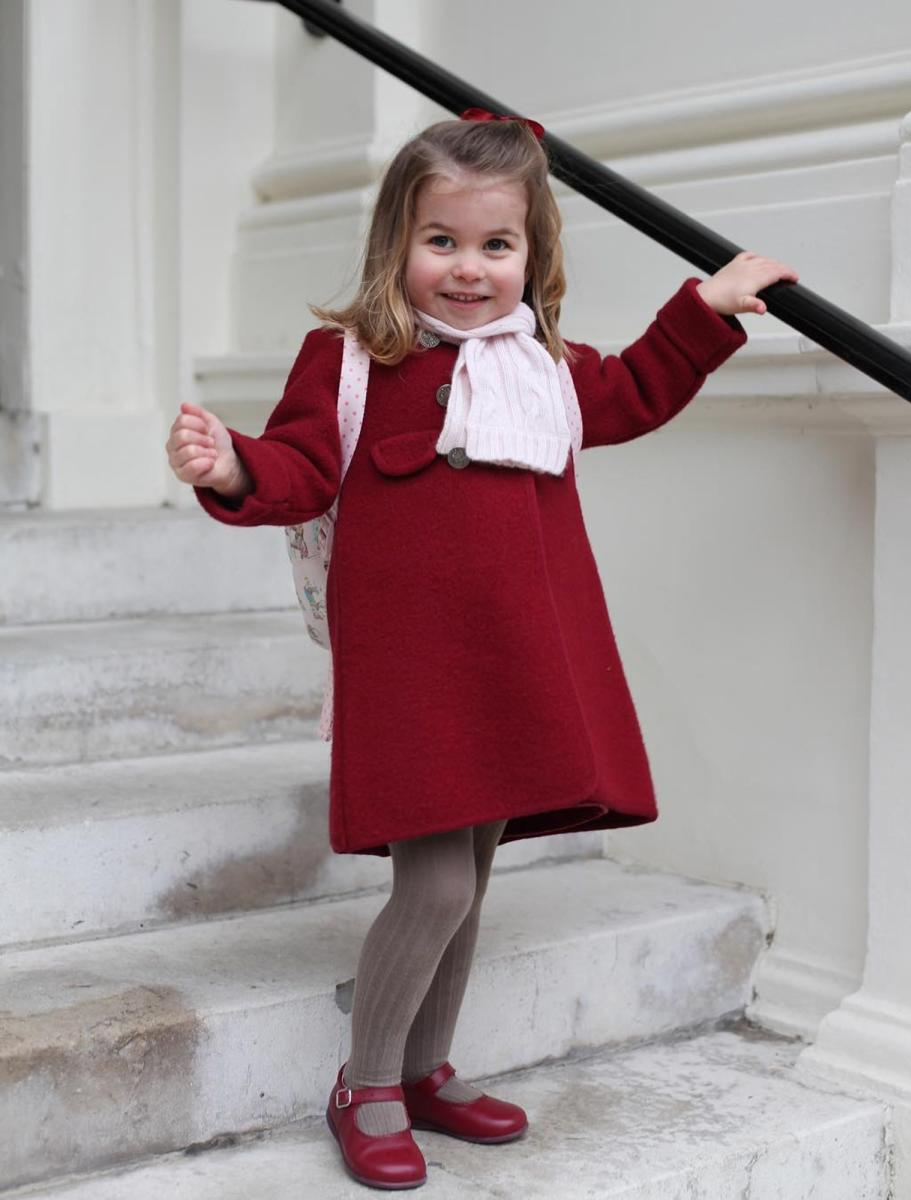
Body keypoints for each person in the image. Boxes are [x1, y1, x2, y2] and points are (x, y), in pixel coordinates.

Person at [165, 110, 799, 1191]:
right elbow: (302, 466)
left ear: (533, 256)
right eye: (441, 242)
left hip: (515, 663)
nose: (468, 269)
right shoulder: (355, 359)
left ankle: (422, 1069)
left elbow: (638, 388)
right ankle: (365, 1083)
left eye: (495, 246)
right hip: (417, 673)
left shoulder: (542, 363)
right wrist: (231, 465)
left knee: (478, 871)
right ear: (394, 246)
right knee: (438, 888)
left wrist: (705, 309)